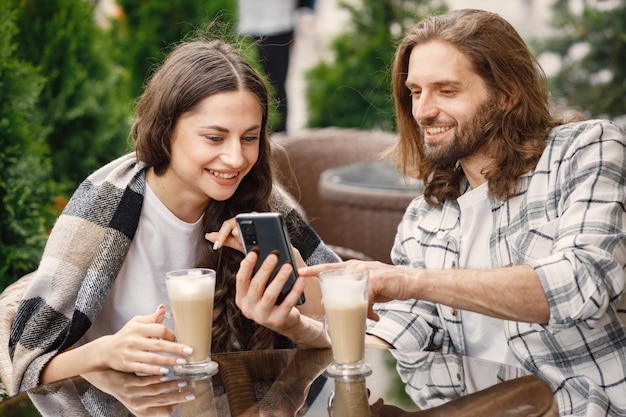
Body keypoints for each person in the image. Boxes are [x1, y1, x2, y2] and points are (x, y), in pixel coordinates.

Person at [235, 8, 626, 416]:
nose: (422, 110)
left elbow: (583, 284)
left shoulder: (585, 151)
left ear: (507, 93)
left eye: (446, 90)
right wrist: (296, 326)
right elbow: (396, 339)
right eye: (416, 91)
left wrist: (409, 281)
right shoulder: (425, 217)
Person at [8, 35, 339, 394]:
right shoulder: (104, 207)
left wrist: (291, 302)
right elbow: (26, 366)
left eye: (249, 138)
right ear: (166, 131)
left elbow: (339, 334)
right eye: (214, 138)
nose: (236, 159)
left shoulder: (260, 201)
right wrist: (103, 353)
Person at [237, 0, 315, 133]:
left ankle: (279, 135)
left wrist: (304, 13)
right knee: (245, 85)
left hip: (279, 25)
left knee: (276, 86)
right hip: (248, 25)